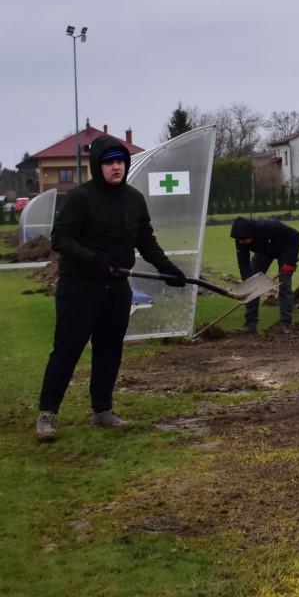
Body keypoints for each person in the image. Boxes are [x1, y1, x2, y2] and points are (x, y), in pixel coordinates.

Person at [36, 136, 187, 441]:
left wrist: (167, 268)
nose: (116, 166)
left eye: (120, 161)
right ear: (98, 166)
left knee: (109, 351)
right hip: (79, 288)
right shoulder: (81, 198)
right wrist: (96, 261)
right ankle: (47, 415)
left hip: (116, 288)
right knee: (68, 350)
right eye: (109, 162)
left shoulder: (134, 199)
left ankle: (102, 410)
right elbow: (60, 239)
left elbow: (145, 240)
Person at [229, 217, 299, 333]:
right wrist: (248, 282)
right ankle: (250, 324)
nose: (240, 242)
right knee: (251, 284)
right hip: (264, 252)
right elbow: (243, 263)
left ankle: (286, 323)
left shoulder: (270, 226)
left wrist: (290, 262)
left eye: (243, 240)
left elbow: (297, 236)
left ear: (251, 234)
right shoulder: (240, 238)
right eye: (239, 240)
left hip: (285, 250)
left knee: (284, 285)